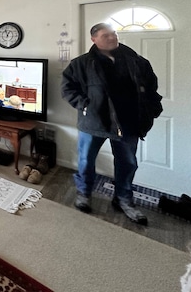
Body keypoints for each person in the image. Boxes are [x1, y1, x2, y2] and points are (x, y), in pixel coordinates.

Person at [61, 23, 163, 225]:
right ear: (94, 39)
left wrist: (152, 108)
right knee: (85, 161)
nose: (112, 38)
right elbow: (67, 88)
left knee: (127, 163)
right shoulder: (81, 63)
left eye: (114, 34)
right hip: (94, 121)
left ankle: (123, 199)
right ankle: (84, 193)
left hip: (128, 122)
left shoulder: (137, 61)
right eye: (105, 35)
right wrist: (85, 105)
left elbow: (151, 87)